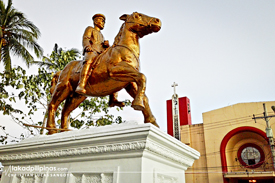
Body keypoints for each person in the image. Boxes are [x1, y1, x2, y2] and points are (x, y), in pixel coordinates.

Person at [75, 13, 109, 95]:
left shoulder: (102, 35)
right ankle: (81, 84)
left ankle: (113, 97)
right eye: (101, 20)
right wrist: (87, 46)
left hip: (101, 53)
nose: (103, 22)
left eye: (104, 21)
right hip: (92, 50)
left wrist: (106, 46)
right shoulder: (90, 29)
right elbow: (86, 38)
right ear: (95, 21)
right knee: (89, 61)